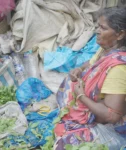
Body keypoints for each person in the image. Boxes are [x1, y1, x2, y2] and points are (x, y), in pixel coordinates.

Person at [54, 7, 126, 150]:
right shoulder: (107, 48)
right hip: (93, 108)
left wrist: (81, 96)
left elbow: (112, 116)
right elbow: (92, 62)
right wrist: (80, 69)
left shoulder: (118, 69)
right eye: (98, 26)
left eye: (103, 28)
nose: (97, 31)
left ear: (119, 35)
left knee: (65, 144)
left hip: (110, 125)